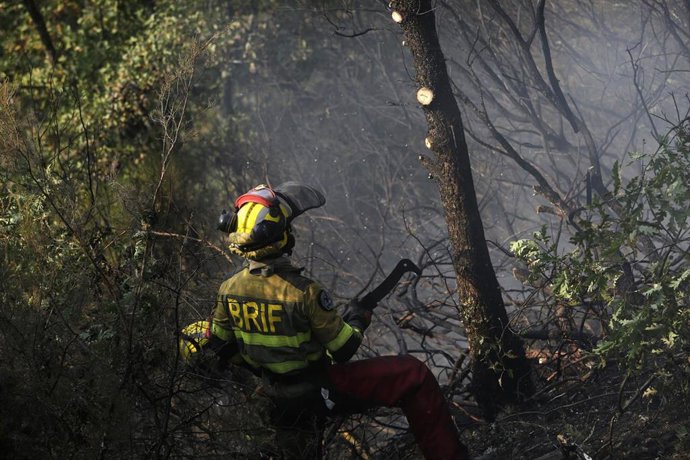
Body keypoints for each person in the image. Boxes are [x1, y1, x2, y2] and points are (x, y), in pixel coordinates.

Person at [180, 182, 470, 460]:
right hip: (317, 390)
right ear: (280, 235)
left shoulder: (228, 290)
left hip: (274, 396)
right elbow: (343, 348)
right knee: (413, 376)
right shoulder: (303, 291)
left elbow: (220, 342)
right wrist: (357, 319)